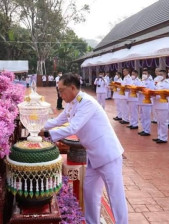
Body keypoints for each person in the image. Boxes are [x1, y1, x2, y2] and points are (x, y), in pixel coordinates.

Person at [44, 73, 128, 224]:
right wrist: (37, 127)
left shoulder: (87, 102)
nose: (60, 94)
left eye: (62, 90)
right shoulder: (71, 103)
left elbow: (73, 127)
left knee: (115, 196)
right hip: (93, 156)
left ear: (73, 88)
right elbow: (58, 120)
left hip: (108, 155)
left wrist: (48, 135)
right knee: (90, 194)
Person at [152, 69, 169, 144]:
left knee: (163, 122)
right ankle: (160, 136)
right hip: (157, 104)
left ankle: (164, 137)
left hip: (163, 105)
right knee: (159, 122)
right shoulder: (158, 83)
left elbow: (168, 93)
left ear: (165, 75)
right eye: (159, 75)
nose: (160, 76)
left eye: (161, 74)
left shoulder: (167, 83)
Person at [138, 69, 155, 136]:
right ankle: (144, 129)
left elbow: (151, 91)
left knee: (146, 117)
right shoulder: (142, 81)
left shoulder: (151, 82)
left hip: (147, 101)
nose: (144, 75)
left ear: (148, 74)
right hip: (141, 100)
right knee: (142, 116)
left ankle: (147, 130)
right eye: (143, 73)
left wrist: (142, 91)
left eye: (145, 73)